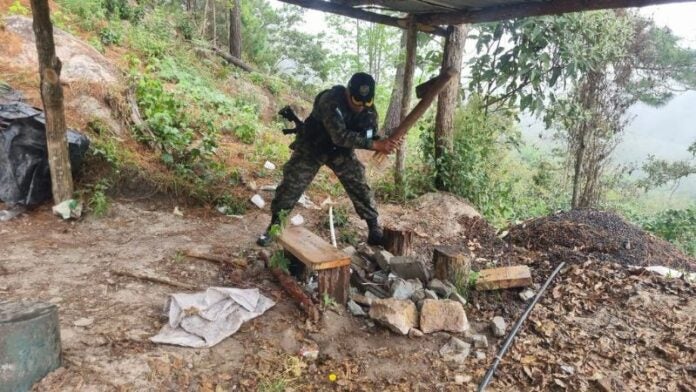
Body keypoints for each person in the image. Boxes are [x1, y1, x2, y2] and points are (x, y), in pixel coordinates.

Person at [257, 72, 399, 247]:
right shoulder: (330, 100)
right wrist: (376, 145)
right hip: (312, 146)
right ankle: (274, 227)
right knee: (291, 185)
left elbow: (368, 135)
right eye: (356, 102)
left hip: (339, 152)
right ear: (348, 92)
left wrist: (381, 142)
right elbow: (339, 136)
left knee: (359, 184)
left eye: (366, 103)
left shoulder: (369, 112)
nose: (361, 107)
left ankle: (374, 228)